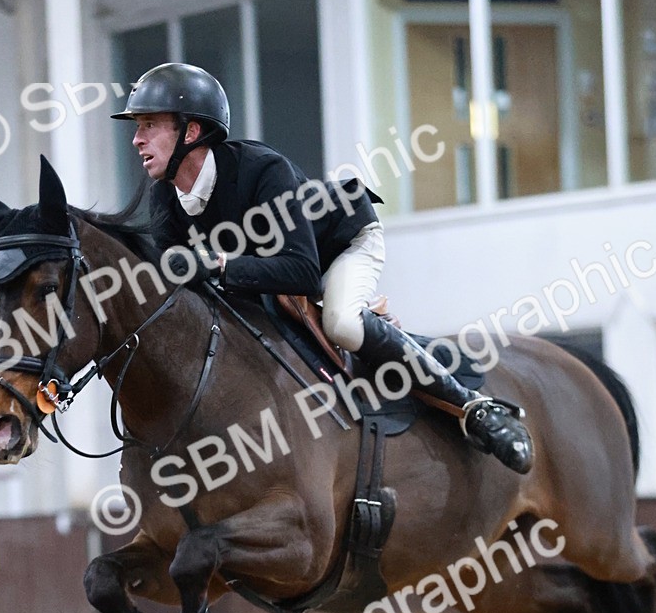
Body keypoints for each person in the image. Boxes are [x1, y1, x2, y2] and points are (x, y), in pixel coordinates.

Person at [112, 63, 533, 474]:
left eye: (149, 125)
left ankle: (475, 408)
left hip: (340, 245)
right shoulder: (165, 199)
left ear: (191, 131)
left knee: (343, 322)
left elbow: (301, 272)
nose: (136, 140)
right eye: (137, 127)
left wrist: (218, 264)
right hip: (272, 274)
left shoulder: (262, 170)